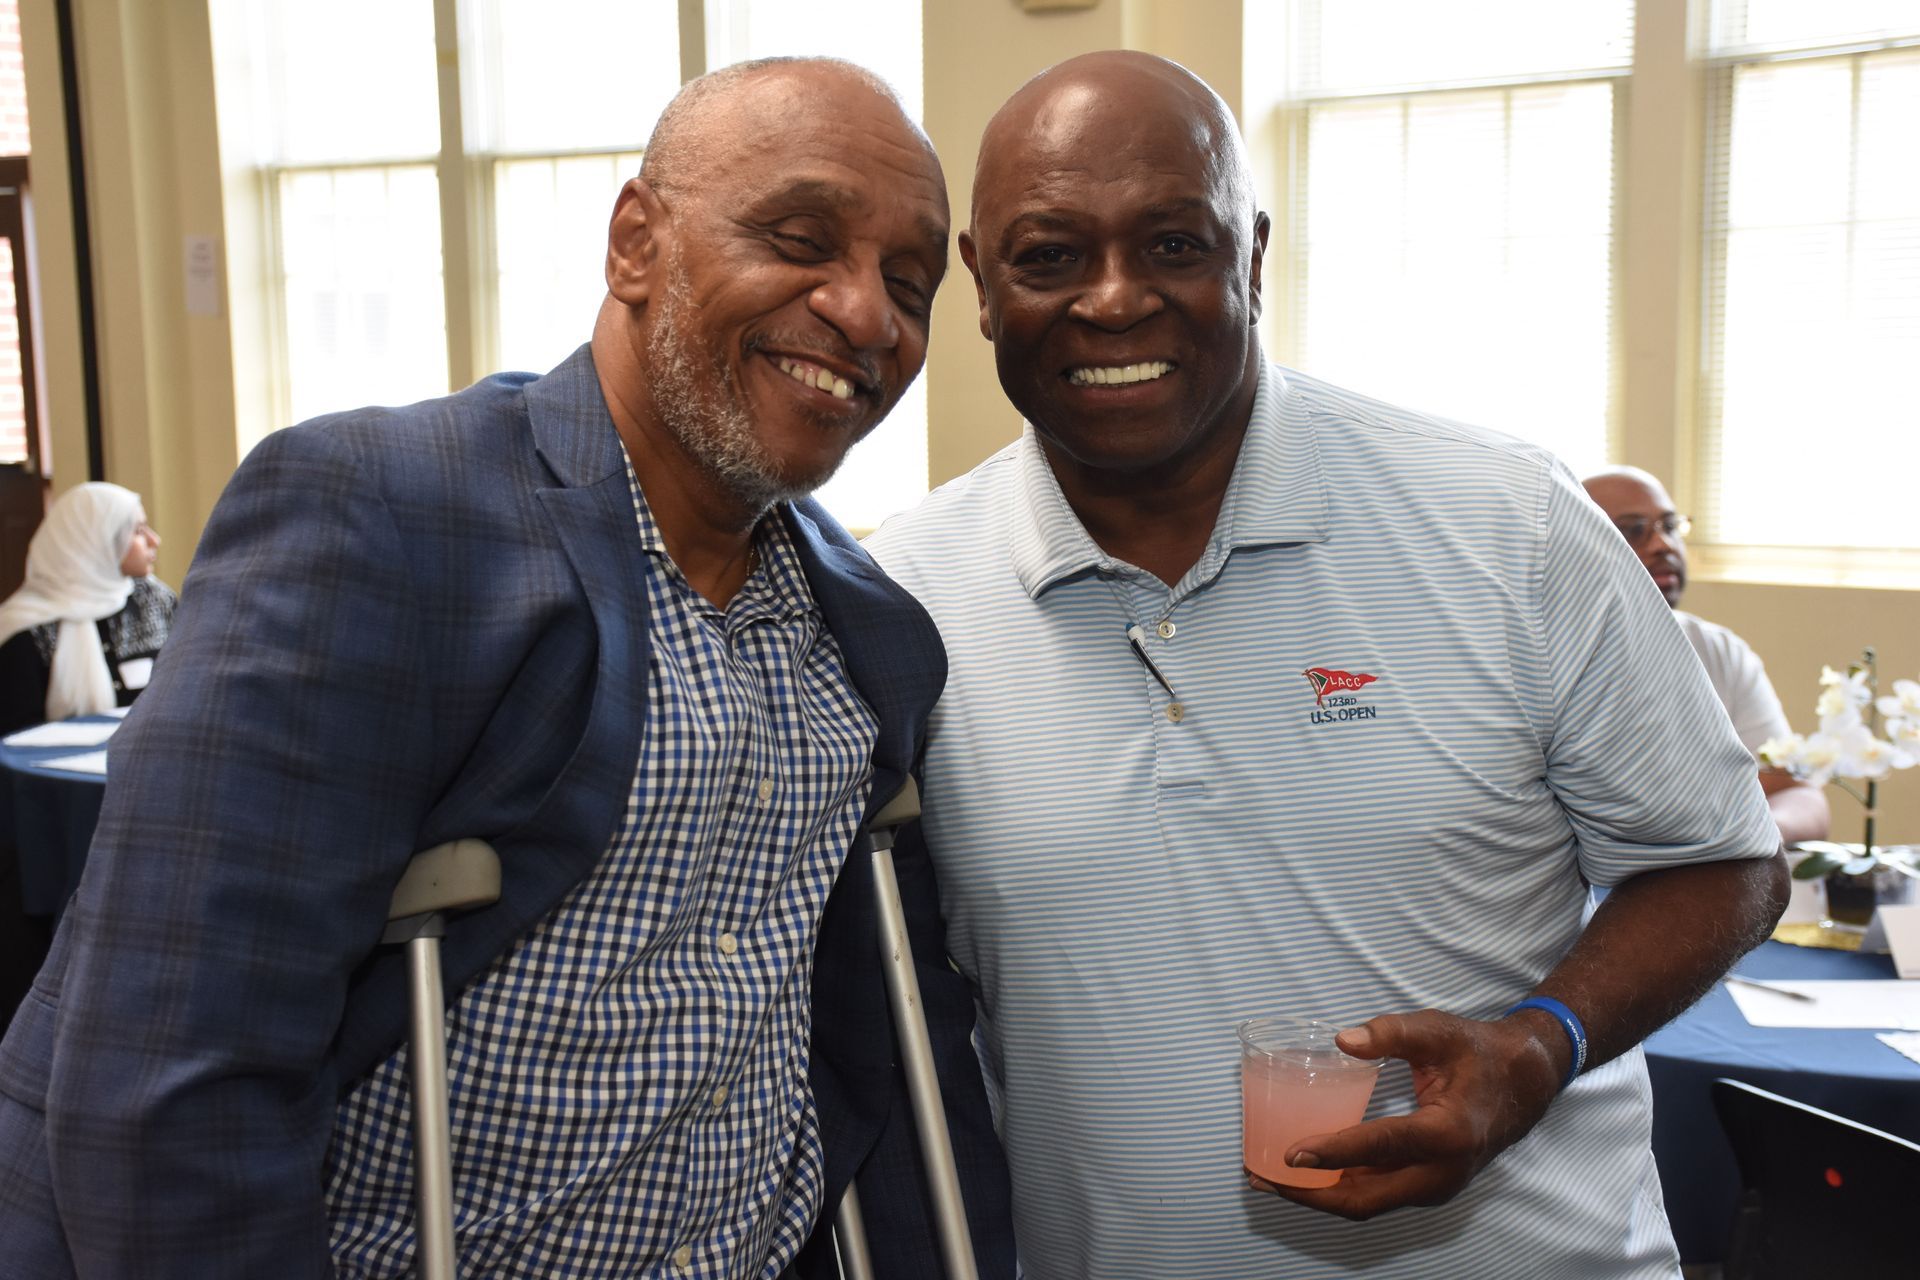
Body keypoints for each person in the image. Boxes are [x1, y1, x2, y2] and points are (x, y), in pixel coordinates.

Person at [0, 57, 1012, 1279]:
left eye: (909, 284)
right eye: (800, 240)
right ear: (635, 244)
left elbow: (895, 1039)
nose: (865, 314)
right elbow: (173, 1081)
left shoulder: (869, 630)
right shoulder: (379, 516)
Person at [865, 51, 1786, 1279]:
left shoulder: (1507, 522)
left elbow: (1724, 861)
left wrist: (1537, 1043)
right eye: (1051, 255)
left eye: (1174, 244)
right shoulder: (902, 596)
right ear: (981, 284)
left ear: (1251, 255)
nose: (1114, 299)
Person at [1583, 466, 1829, 844]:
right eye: (1633, 530)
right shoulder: (1538, 658)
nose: (1663, 545)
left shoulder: (1717, 651)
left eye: (1669, 526)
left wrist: (1742, 843)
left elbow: (1795, 793)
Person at [0, 482, 173, 736]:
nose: (154, 540)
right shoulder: (31, 628)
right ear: (96, 541)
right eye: (137, 531)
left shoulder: (155, 600)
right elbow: (15, 734)